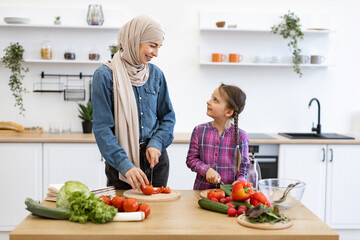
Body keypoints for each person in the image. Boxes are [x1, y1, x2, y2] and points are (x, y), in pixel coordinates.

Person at [92, 15, 175, 191]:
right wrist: (124, 164)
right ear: (134, 40)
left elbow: (168, 117)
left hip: (155, 162)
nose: (156, 53)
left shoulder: (156, 75)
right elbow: (102, 128)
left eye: (159, 47)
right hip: (122, 165)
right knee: (123, 215)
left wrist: (156, 144)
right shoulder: (105, 76)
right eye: (152, 45)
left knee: (158, 216)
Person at [186, 83, 249, 190]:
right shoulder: (199, 131)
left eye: (215, 100)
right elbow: (191, 159)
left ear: (228, 112)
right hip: (202, 191)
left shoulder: (241, 136)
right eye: (212, 97)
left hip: (230, 195)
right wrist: (206, 170)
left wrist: (240, 181)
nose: (208, 101)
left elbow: (244, 166)